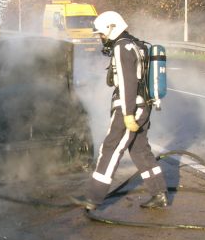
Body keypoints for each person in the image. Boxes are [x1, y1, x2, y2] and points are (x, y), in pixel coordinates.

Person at [71, 11, 168, 210]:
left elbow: (127, 82)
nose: (101, 38)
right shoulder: (136, 44)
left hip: (129, 106)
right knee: (139, 150)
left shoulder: (122, 47)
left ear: (111, 28)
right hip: (144, 105)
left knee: (111, 148)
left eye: (102, 34)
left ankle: (93, 197)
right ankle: (159, 194)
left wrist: (128, 113)